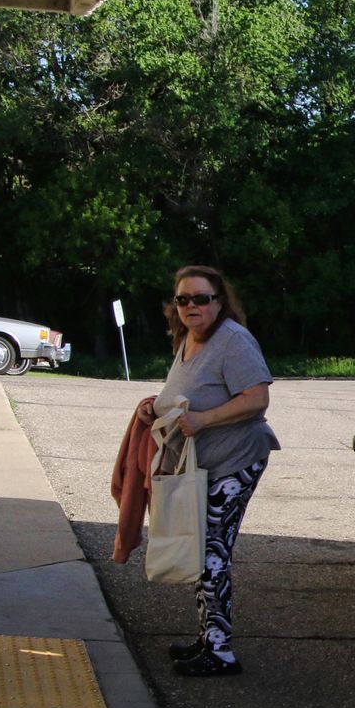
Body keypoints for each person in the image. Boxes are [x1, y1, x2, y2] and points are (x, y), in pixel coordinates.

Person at [138, 265, 280, 676]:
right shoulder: (188, 340)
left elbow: (257, 399)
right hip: (205, 465)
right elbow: (183, 395)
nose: (191, 306)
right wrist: (155, 408)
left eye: (201, 298)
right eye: (183, 299)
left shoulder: (233, 341)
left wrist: (205, 420)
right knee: (203, 549)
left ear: (220, 302)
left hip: (235, 459)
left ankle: (220, 652)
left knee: (212, 552)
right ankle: (207, 638)